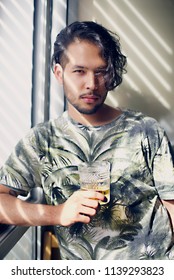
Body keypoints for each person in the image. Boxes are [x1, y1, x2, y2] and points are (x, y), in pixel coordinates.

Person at [0, 21, 174, 260]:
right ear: (59, 73)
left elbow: (172, 203)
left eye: (101, 71)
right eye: (79, 71)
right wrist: (58, 214)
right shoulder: (41, 141)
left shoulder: (145, 130)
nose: (92, 84)